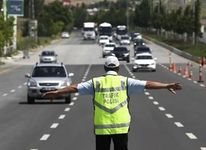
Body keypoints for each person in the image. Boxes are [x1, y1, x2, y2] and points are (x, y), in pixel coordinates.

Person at [42, 56, 182, 150]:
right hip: (121, 128)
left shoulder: (95, 82)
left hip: (102, 128)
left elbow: (74, 87)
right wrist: (166, 85)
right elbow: (148, 84)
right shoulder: (125, 81)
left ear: (105, 68)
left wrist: (57, 92)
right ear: (118, 68)